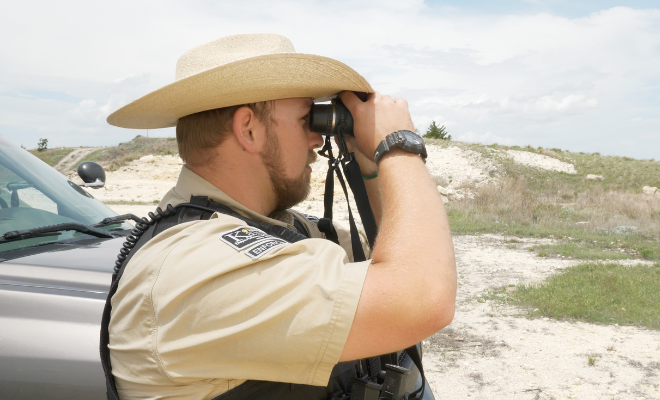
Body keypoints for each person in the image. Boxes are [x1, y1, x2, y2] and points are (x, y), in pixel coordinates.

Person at [105, 33, 456, 400]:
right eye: (307, 119)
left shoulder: (267, 227)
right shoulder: (195, 268)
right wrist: (398, 145)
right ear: (249, 130)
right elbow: (422, 295)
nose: (318, 139)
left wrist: (369, 164)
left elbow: (404, 255)